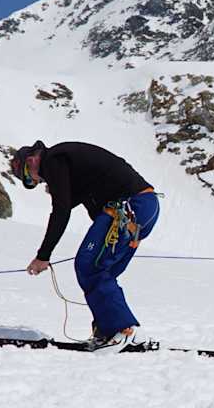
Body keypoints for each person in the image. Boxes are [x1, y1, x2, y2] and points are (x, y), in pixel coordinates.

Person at [11, 140, 159, 352]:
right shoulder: (68, 163)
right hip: (145, 206)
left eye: (28, 176)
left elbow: (61, 211)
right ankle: (110, 330)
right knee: (104, 270)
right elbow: (78, 196)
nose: (36, 180)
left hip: (129, 206)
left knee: (90, 265)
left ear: (32, 160)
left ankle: (121, 330)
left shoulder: (53, 159)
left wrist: (43, 255)